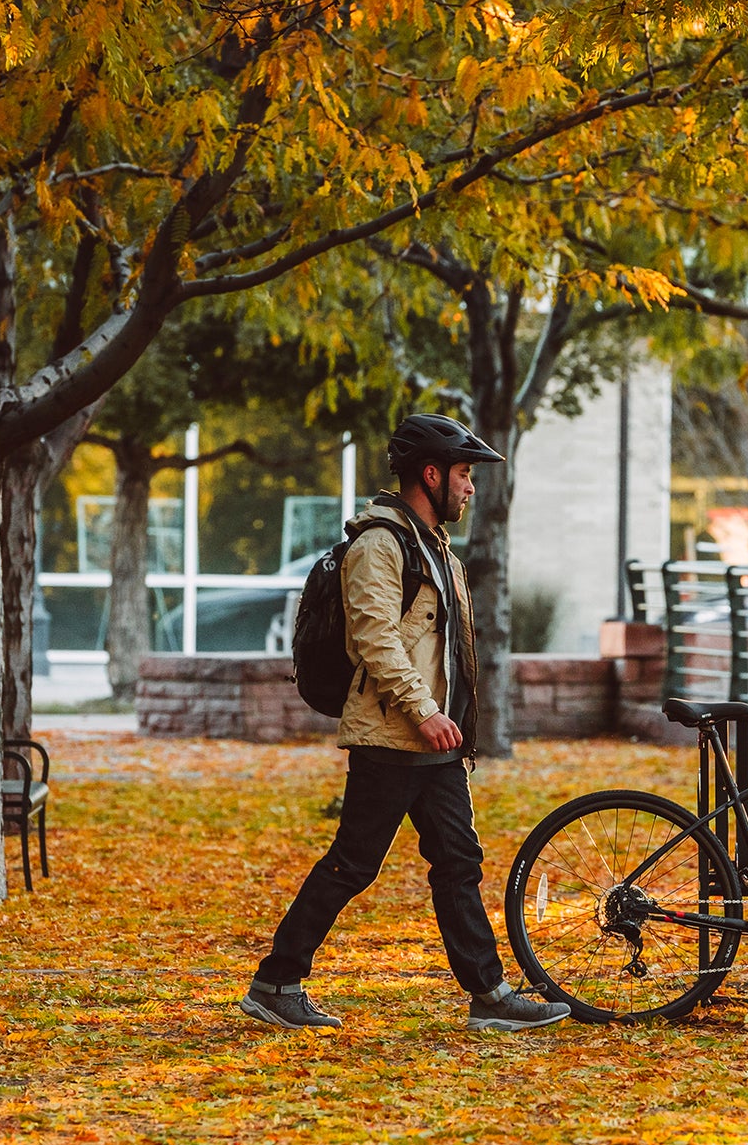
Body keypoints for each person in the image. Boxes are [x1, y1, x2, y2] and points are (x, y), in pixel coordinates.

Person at [241, 413, 571, 1033]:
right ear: (431, 473)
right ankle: (276, 980)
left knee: (457, 861)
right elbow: (376, 641)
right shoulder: (379, 545)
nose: (471, 488)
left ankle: (488, 994)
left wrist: (448, 722)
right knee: (355, 862)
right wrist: (424, 712)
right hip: (393, 735)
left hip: (432, 740)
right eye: (465, 475)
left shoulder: (431, 545)